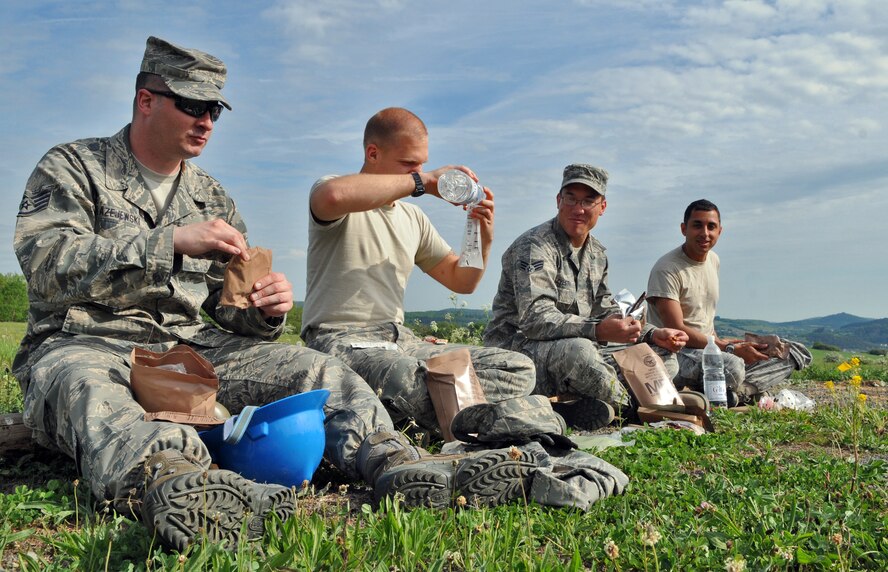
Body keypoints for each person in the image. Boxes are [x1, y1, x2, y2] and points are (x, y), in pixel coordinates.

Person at [12, 37, 541, 552]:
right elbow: (44, 261)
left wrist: (266, 309)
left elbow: (228, 307)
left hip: (189, 346)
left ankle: (393, 461)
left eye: (214, 111)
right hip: (85, 340)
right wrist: (169, 242)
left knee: (317, 370)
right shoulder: (75, 166)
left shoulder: (209, 196)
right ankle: (175, 481)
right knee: (87, 390)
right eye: (192, 105)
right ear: (146, 100)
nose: (206, 121)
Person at [302, 107, 544, 437]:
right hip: (340, 340)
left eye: (422, 164)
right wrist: (423, 183)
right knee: (408, 378)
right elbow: (333, 197)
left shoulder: (413, 218)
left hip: (400, 342)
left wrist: (481, 238)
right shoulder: (335, 190)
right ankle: (488, 419)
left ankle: (424, 417)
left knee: (517, 368)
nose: (419, 172)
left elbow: (461, 280)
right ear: (373, 153)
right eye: (409, 163)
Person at [483, 164, 691, 428]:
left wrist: (651, 333)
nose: (578, 209)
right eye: (571, 198)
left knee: (657, 353)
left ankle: (582, 405)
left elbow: (606, 310)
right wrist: (598, 330)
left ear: (602, 207)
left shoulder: (596, 253)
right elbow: (535, 319)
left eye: (588, 201)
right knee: (579, 352)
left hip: (579, 348)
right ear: (558, 201)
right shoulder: (535, 246)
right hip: (521, 349)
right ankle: (639, 408)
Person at [646, 199, 812, 404]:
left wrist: (726, 343)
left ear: (720, 231)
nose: (705, 233)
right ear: (683, 229)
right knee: (732, 366)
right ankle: (732, 389)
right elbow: (676, 331)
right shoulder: (667, 269)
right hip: (677, 353)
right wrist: (727, 349)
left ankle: (739, 392)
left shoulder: (713, 260)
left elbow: (704, 318)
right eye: (697, 225)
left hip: (710, 347)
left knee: (792, 351)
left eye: (711, 226)